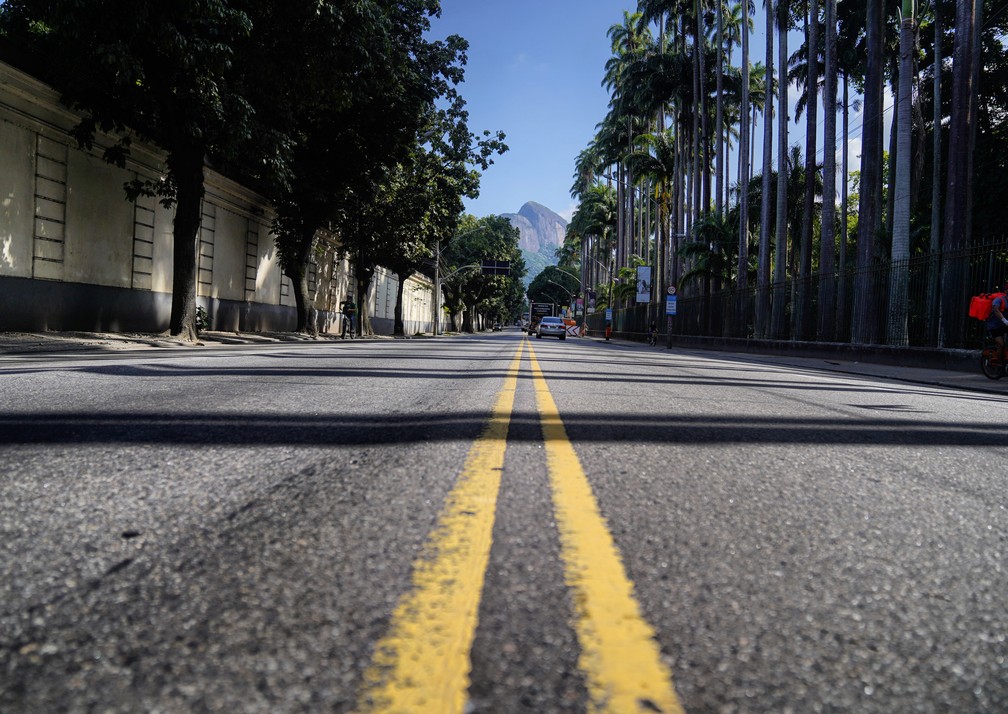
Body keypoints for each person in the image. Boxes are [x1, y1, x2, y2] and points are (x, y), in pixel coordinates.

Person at [986, 282, 1008, 361]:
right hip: (995, 326)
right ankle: (1000, 364)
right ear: (1005, 291)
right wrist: (1004, 320)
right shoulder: (999, 299)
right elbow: (996, 310)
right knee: (1001, 344)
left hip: (1004, 325)